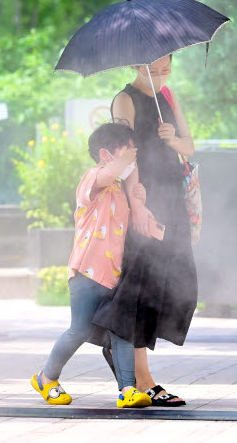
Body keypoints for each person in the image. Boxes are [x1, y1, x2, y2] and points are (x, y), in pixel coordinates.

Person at [91, 54, 197, 407]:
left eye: (166, 67)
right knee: (142, 285)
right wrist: (138, 206)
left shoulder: (167, 96)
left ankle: (123, 353)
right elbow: (126, 155)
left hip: (172, 196)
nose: (161, 73)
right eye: (154, 69)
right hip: (145, 196)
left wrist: (171, 139)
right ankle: (142, 376)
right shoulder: (124, 100)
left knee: (172, 282)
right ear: (135, 65)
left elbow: (190, 146)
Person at [30, 122, 161, 408]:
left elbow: (130, 186)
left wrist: (135, 187)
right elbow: (111, 173)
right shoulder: (92, 180)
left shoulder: (123, 190)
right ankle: (46, 378)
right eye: (127, 153)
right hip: (87, 273)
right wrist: (124, 164)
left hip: (114, 277)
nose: (132, 160)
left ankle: (127, 390)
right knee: (79, 330)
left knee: (121, 331)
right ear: (105, 154)